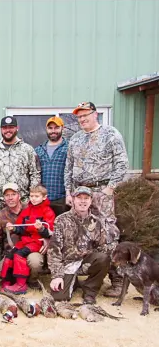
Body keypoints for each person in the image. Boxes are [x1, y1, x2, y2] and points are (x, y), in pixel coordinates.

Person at [65, 101, 129, 298]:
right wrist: (69, 191)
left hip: (101, 193)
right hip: (79, 193)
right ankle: (76, 277)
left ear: (95, 114)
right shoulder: (75, 139)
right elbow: (68, 167)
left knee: (108, 234)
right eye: (79, 117)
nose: (82, 119)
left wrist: (110, 188)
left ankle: (117, 280)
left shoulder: (111, 134)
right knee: (77, 234)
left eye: (86, 115)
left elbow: (122, 163)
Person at [48, 186, 112, 304]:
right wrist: (57, 276)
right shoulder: (61, 220)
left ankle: (90, 292)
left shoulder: (96, 222)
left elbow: (102, 248)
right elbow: (54, 250)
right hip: (68, 263)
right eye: (79, 198)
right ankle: (74, 281)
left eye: (86, 198)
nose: (83, 201)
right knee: (59, 297)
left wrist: (101, 267)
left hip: (86, 261)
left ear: (91, 200)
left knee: (103, 258)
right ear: (73, 200)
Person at [0, 116, 40, 230]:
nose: (8, 130)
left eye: (11, 127)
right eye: (5, 128)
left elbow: (35, 173)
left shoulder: (27, 149)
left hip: (21, 201)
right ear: (1, 130)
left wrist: (29, 197)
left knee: (21, 234)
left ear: (17, 128)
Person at [0, 183, 45, 288]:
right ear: (4, 198)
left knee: (35, 262)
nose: (10, 198)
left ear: (19, 195)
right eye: (7, 195)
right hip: (13, 252)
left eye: (13, 194)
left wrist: (46, 239)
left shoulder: (31, 208)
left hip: (31, 250)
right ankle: (18, 277)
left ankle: (32, 280)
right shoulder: (1, 216)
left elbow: (47, 225)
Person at [1, 185, 55, 294]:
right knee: (10, 254)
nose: (33, 199)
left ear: (44, 197)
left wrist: (41, 229)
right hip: (26, 241)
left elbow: (51, 232)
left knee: (19, 255)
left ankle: (21, 285)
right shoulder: (27, 210)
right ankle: (7, 281)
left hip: (38, 242)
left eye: (37, 196)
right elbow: (21, 228)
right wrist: (14, 228)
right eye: (31, 196)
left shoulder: (48, 212)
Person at [34, 116, 69, 216]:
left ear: (63, 128)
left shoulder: (69, 148)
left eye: (56, 127)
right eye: (50, 128)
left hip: (62, 199)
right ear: (46, 129)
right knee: (43, 229)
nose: (53, 131)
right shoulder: (39, 150)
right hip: (43, 200)